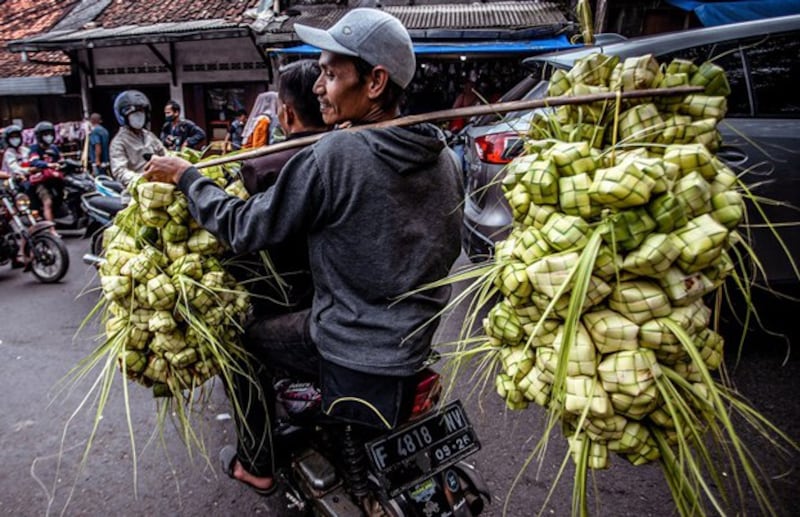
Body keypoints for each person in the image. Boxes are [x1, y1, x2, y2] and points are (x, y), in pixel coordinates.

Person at [144, 8, 463, 495]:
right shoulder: (445, 157)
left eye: (331, 74)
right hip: (414, 340)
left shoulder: (335, 154)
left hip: (350, 342)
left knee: (240, 340)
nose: (318, 87)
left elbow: (244, 227)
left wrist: (188, 178)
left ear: (375, 82)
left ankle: (257, 461)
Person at [232, 59, 332, 319]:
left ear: (287, 114)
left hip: (281, 299)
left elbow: (239, 229)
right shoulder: (349, 155)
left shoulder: (262, 168)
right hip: (337, 297)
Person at [109, 90, 167, 188]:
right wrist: (142, 178)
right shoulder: (118, 142)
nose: (139, 117)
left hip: (159, 185)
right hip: (135, 192)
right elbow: (120, 171)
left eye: (141, 113)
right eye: (134, 114)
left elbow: (165, 154)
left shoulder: (149, 135)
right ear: (124, 117)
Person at [27, 121, 62, 228]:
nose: (49, 137)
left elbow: (61, 160)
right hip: (40, 180)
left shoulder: (54, 148)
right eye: (45, 134)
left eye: (50, 134)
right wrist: (48, 165)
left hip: (55, 179)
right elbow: (34, 161)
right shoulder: (34, 148)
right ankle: (52, 229)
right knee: (48, 202)